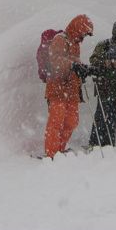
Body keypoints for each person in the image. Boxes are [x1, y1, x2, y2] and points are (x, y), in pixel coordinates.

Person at [44, 14, 94, 159]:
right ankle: (52, 153)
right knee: (56, 121)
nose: (85, 35)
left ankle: (60, 149)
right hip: (58, 88)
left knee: (72, 121)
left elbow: (73, 61)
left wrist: (83, 69)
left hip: (72, 90)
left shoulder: (76, 44)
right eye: (84, 32)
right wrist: (73, 66)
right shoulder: (60, 39)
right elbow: (55, 61)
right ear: (78, 28)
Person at [87, 19, 116, 148]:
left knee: (114, 117)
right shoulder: (105, 44)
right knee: (101, 115)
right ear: (115, 30)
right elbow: (94, 60)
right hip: (105, 85)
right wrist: (109, 63)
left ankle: (109, 143)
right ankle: (95, 142)